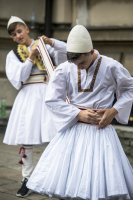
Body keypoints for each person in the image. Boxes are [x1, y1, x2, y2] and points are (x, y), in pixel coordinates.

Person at [27, 24, 133, 200]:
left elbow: (130, 88)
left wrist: (114, 110)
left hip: (100, 132)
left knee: (98, 179)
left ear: (91, 51)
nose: (79, 67)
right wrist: (78, 113)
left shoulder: (111, 66)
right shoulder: (66, 67)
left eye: (82, 62)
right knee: (68, 179)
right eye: (75, 63)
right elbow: (52, 99)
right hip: (72, 131)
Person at [3, 16, 67, 198]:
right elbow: (20, 79)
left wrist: (52, 42)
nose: (17, 35)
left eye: (19, 31)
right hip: (28, 95)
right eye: (14, 34)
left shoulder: (44, 46)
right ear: (12, 38)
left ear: (27, 29)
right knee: (27, 138)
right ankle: (27, 179)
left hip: (48, 94)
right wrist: (31, 57)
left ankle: (50, 178)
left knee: (53, 137)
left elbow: (65, 56)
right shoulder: (13, 55)